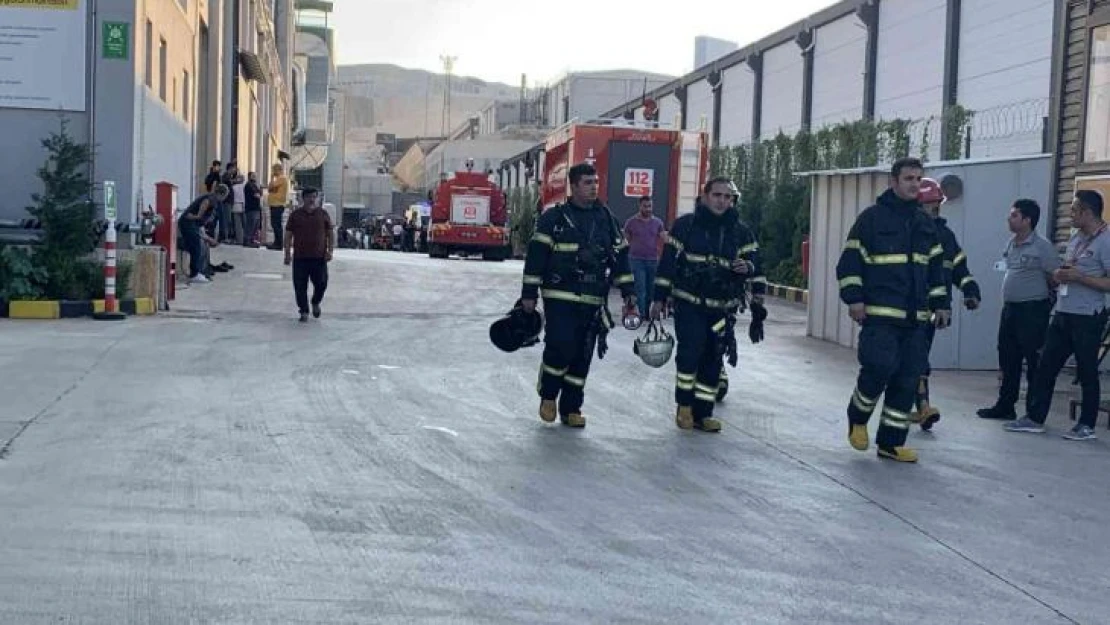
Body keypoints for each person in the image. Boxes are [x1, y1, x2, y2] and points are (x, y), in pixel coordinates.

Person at [835, 157, 951, 463]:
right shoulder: (871, 220)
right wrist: (854, 299)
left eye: (918, 178)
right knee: (878, 369)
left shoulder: (925, 224)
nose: (915, 184)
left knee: (907, 379)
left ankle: (890, 443)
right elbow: (849, 264)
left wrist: (941, 304)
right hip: (880, 316)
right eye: (909, 178)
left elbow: (936, 270)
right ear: (893, 182)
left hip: (916, 321)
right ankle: (857, 418)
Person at [520, 162, 636, 428]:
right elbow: (536, 258)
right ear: (572, 186)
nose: (594, 186)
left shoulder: (606, 219)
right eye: (587, 182)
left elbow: (621, 258)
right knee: (560, 346)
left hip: (593, 298)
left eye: (595, 182)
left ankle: (571, 407)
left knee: (583, 353)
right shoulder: (554, 218)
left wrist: (629, 291)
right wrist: (529, 294)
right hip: (559, 295)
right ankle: (548, 395)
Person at [650, 177, 765, 432]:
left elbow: (757, 266)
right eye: (717, 195)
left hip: (722, 308)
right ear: (704, 196)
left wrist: (749, 271)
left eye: (727, 197)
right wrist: (658, 297)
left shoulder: (741, 232)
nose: (722, 201)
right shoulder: (685, 226)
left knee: (713, 358)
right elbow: (667, 263)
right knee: (690, 353)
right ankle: (685, 407)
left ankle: (704, 413)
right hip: (689, 304)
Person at [1005, 190, 1110, 441]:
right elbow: (1066, 268)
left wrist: (1081, 278)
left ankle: (1086, 425)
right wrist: (1060, 276)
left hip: (1088, 315)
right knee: (1044, 366)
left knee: (1086, 370)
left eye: (1074, 210)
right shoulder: (1075, 238)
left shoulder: (1106, 240)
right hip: (1063, 311)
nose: (1070, 214)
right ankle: (1035, 417)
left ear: (1087, 212)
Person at [977, 199, 1059, 421]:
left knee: (1034, 361)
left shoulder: (1043, 247)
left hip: (1033, 311)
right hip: (1011, 310)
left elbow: (1054, 278)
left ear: (1027, 220)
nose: (1009, 219)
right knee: (1008, 357)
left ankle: (1033, 412)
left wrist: (1042, 302)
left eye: (1014, 215)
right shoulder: (1011, 244)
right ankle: (1005, 406)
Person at [911, 178, 981, 431]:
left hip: (932, 311)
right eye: (930, 205)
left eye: (937, 204)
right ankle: (919, 406)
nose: (935, 209)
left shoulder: (946, 236)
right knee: (912, 359)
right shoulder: (909, 232)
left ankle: (921, 407)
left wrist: (970, 290)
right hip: (907, 308)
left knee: (917, 358)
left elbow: (958, 268)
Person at [284, 187, 334, 322]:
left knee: (322, 283)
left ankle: (315, 302)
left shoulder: (323, 214)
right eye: (309, 197)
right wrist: (287, 253)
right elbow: (288, 234)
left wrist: (330, 251)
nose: (312, 199)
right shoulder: (295, 215)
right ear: (303, 198)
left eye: (314, 197)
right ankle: (304, 311)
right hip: (300, 257)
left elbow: (330, 233)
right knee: (300, 286)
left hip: (319, 257)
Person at [623, 196, 666, 319]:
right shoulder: (631, 222)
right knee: (640, 289)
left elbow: (664, 239)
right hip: (636, 260)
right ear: (640, 206)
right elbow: (625, 241)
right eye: (645, 206)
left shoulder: (658, 223)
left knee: (651, 290)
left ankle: (648, 313)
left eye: (650, 206)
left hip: (653, 260)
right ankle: (641, 315)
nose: (648, 209)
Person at [177, 184, 228, 284]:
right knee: (196, 245)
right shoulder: (212, 198)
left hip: (192, 224)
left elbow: (200, 228)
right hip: (188, 223)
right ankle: (195, 274)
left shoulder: (213, 200)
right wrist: (198, 215)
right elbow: (205, 203)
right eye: (225, 196)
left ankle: (201, 270)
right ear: (222, 194)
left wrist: (208, 238)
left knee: (201, 244)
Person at [268, 164, 289, 250]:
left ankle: (278, 244)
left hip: (277, 204)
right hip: (275, 204)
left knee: (276, 225)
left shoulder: (281, 178)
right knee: (275, 224)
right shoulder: (279, 179)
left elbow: (270, 187)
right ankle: (276, 242)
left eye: (273, 170)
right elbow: (271, 189)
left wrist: (272, 177)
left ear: (278, 170)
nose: (273, 172)